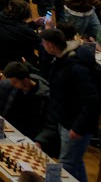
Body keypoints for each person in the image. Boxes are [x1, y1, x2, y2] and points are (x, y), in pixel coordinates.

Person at [41, 26, 99, 182]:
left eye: (44, 43)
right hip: (66, 119)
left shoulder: (76, 68)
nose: (42, 46)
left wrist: (78, 126)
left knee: (66, 165)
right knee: (76, 163)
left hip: (76, 125)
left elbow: (91, 101)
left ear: (51, 45)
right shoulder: (61, 60)